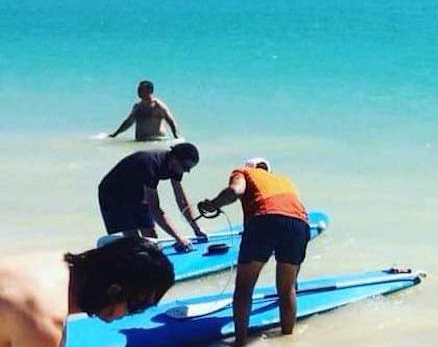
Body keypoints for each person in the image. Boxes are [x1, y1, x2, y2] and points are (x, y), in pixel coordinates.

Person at [198, 158, 310, 346]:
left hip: (264, 219)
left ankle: (240, 343)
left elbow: (235, 191)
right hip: (299, 223)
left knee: (244, 287)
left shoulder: (244, 172)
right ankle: (288, 339)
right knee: (287, 288)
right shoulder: (284, 180)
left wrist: (213, 204)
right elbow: (288, 210)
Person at [0, 238, 174, 346]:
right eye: (137, 306)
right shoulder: (44, 320)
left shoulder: (54, 263)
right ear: (115, 291)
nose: (131, 315)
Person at [98, 142, 206, 251]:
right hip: (112, 193)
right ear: (174, 159)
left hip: (136, 189)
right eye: (186, 167)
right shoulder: (151, 165)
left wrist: (197, 228)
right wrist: (178, 237)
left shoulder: (177, 167)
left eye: (189, 168)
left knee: (151, 235)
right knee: (133, 241)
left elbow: (182, 200)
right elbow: (154, 209)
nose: (187, 171)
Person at [109, 80, 180, 141]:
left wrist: (176, 136)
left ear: (150, 90)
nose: (138, 91)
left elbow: (171, 121)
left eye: (141, 89)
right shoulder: (137, 107)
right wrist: (115, 134)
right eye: (138, 89)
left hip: (156, 141)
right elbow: (128, 122)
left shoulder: (158, 106)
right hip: (140, 142)